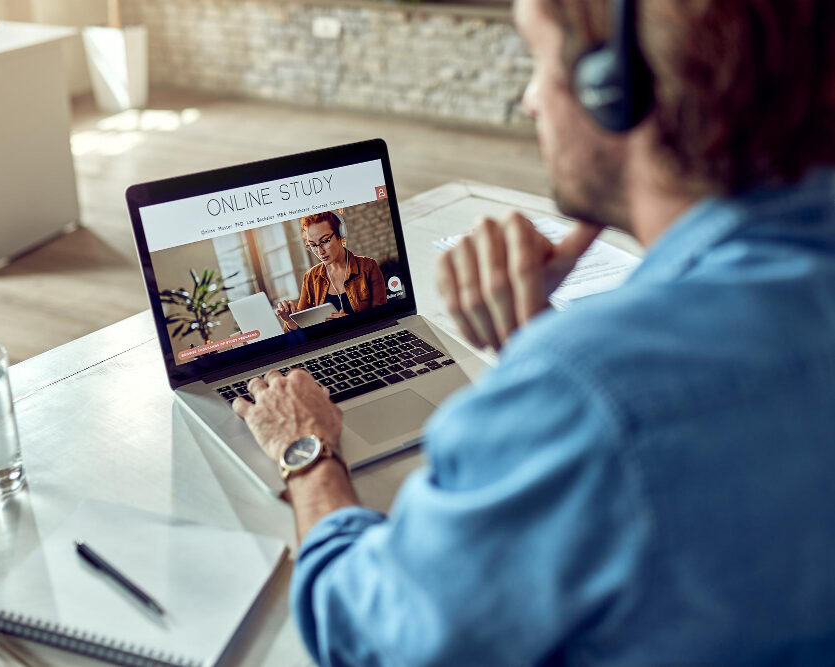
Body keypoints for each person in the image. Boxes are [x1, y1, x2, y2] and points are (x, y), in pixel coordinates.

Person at [234, 0, 835, 663]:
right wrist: (540, 357)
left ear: (616, 89)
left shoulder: (587, 391)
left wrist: (307, 451)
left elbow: (368, 633)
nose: (528, 101)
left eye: (537, 59)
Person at [276, 211, 387, 330]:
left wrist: (351, 322)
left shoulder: (368, 267)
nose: (320, 251)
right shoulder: (310, 278)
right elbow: (303, 332)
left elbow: (383, 319)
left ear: (340, 234)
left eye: (324, 241)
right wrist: (290, 320)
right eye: (313, 245)